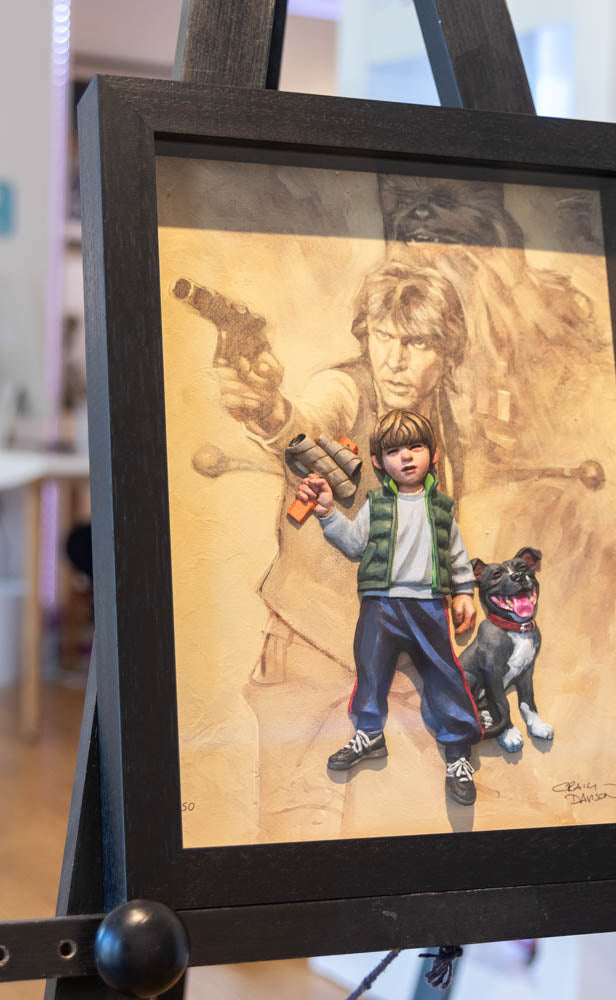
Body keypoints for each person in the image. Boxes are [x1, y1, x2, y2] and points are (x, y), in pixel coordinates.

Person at [215, 259, 468, 681]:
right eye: (383, 336)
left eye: (418, 342)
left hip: (398, 654)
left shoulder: (445, 425)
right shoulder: (346, 388)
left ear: (447, 354)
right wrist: (269, 411)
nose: (395, 360)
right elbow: (308, 422)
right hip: (313, 649)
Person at [295, 408, 483, 806]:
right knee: (371, 667)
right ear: (379, 462)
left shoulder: (443, 508)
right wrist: (327, 511)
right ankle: (369, 735)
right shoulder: (376, 504)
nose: (406, 457)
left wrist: (465, 592)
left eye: (415, 447)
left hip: (428, 604)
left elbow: (457, 555)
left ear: (433, 453)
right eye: (394, 451)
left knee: (443, 674)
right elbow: (353, 545)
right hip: (380, 603)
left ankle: (458, 756)